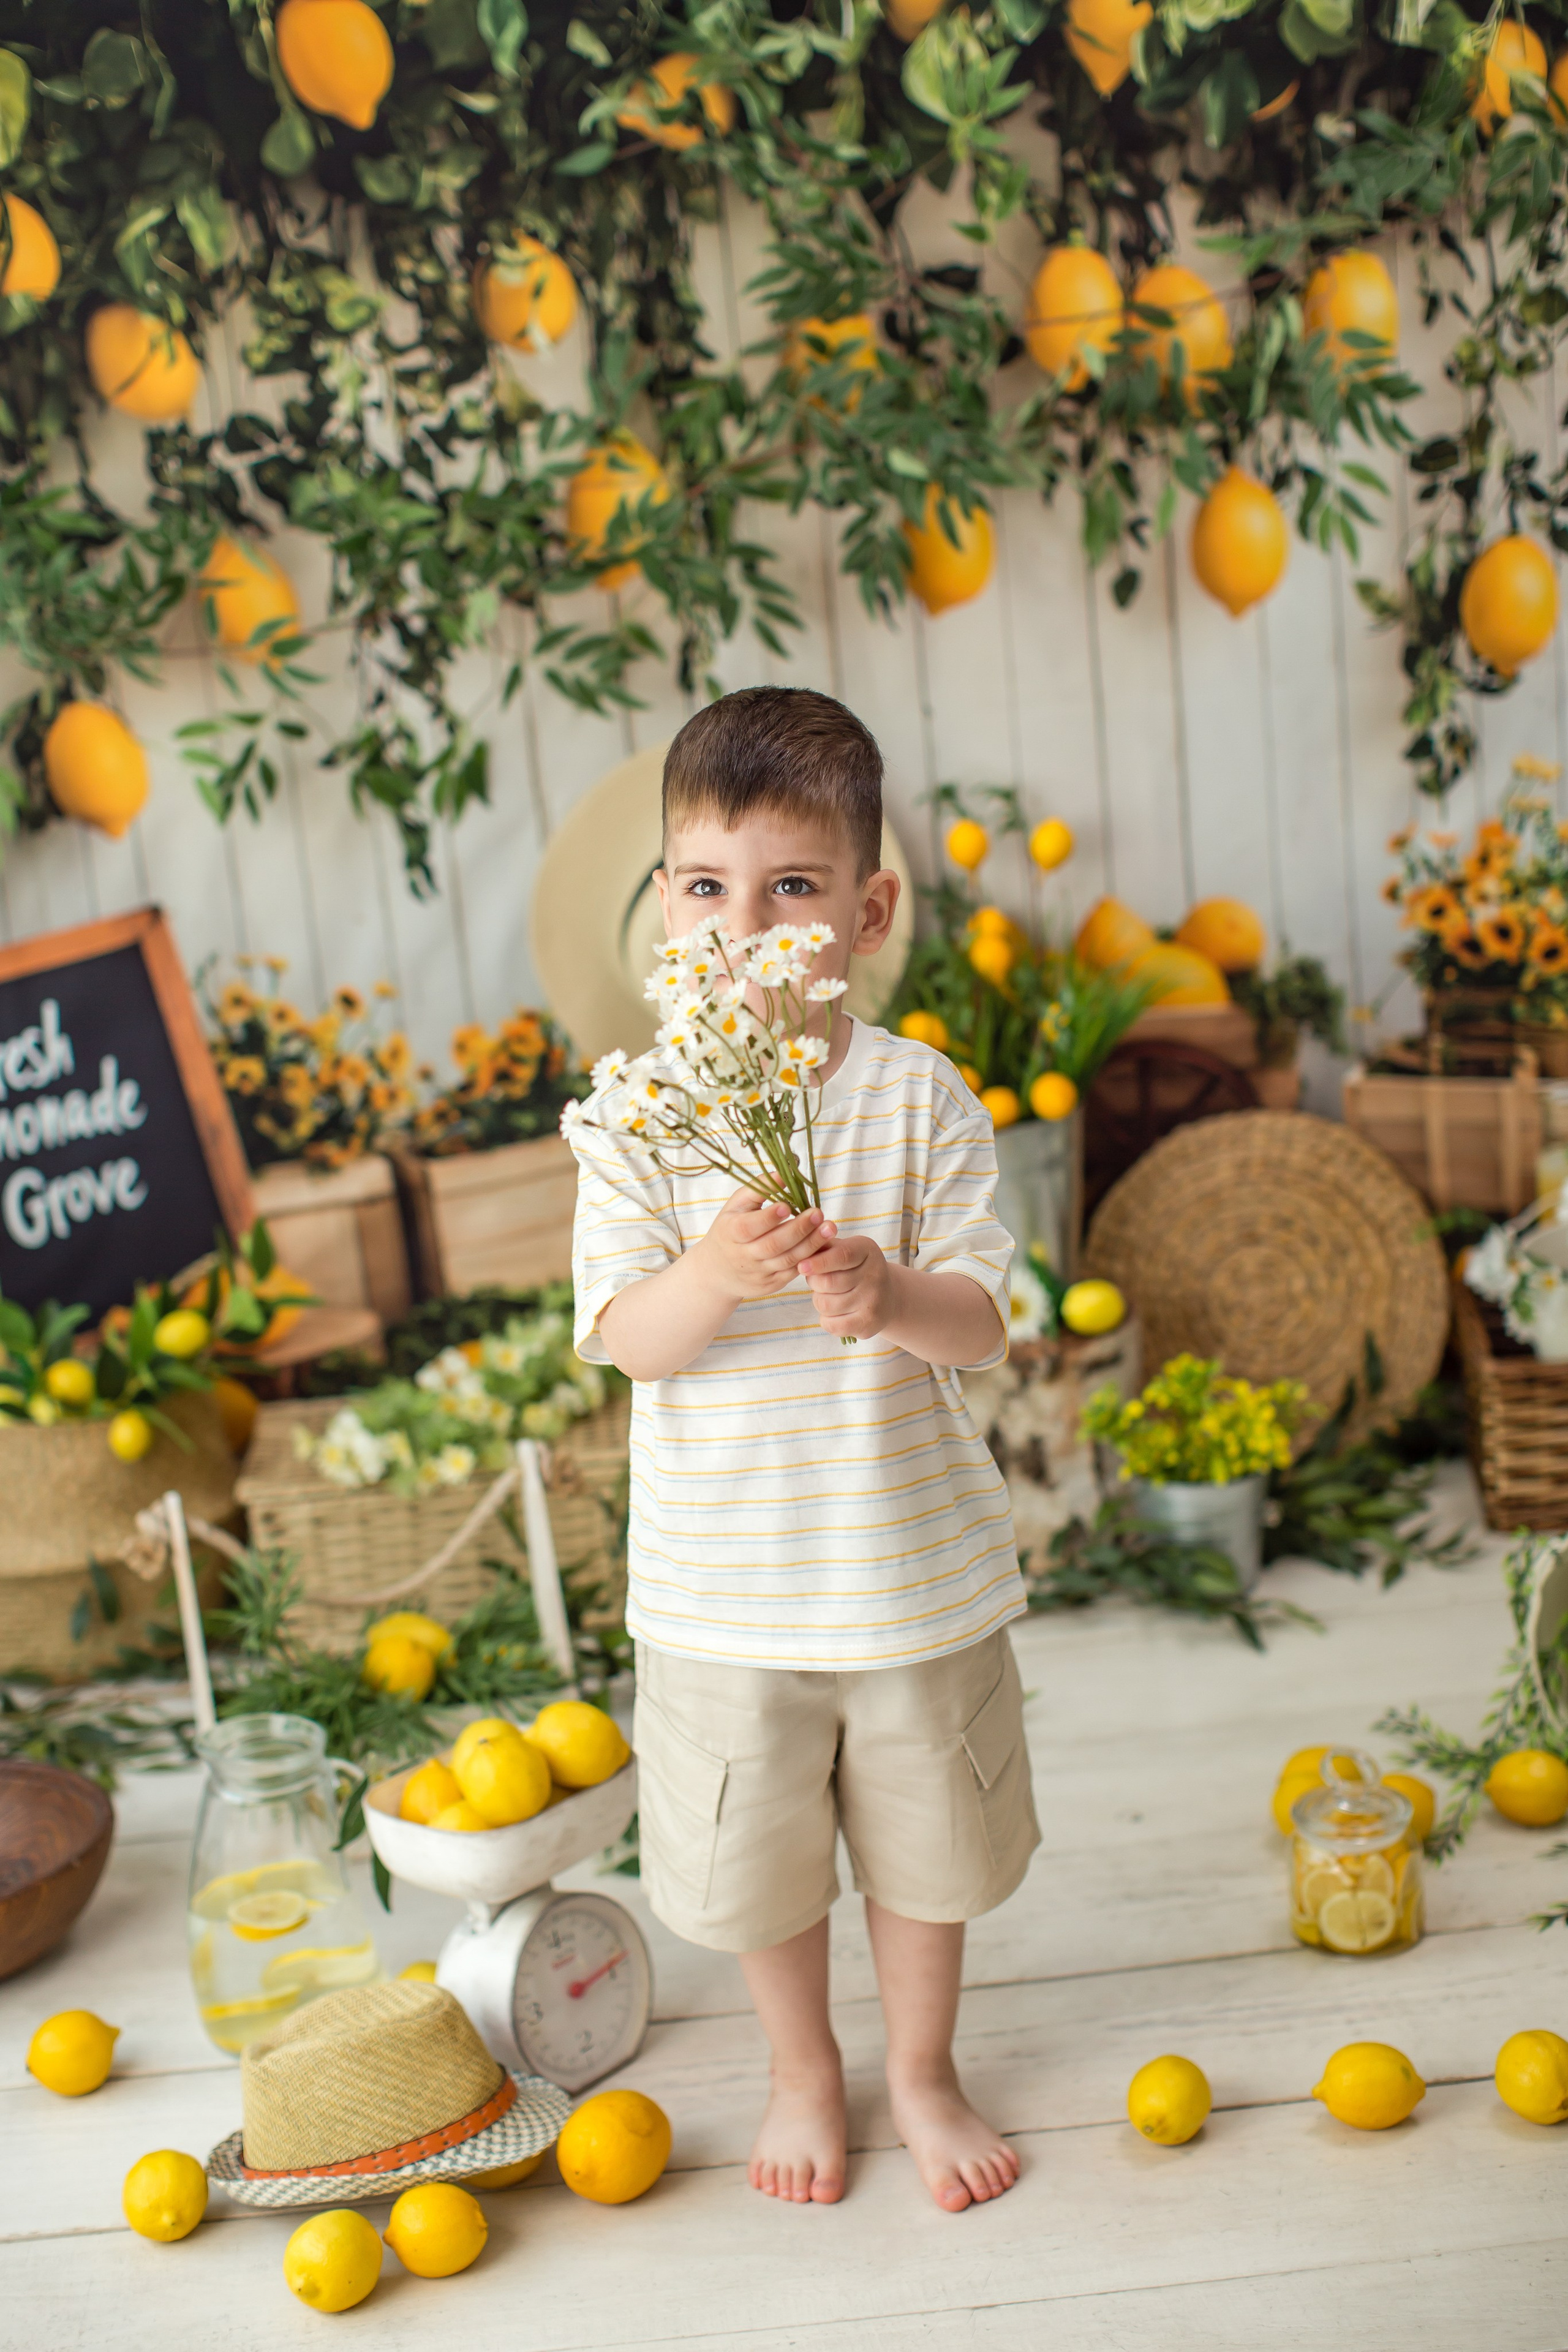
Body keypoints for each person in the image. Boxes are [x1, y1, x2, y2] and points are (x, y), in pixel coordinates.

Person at [567, 685, 1038, 2212]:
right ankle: (800, 2069)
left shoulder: (917, 1101)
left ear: (866, 912)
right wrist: (713, 1270)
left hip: (905, 1579)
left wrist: (886, 1293)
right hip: (724, 1596)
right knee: (761, 1864)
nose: (743, 927)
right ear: (665, 907)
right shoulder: (640, 1118)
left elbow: (983, 1323)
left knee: (925, 1851)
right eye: (707, 888)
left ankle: (921, 2069)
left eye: (789, 888)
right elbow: (628, 1338)